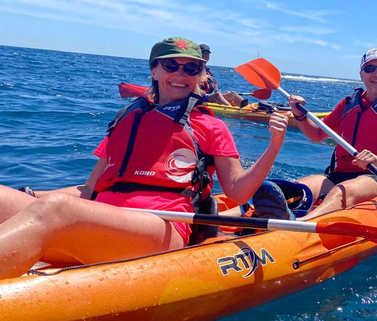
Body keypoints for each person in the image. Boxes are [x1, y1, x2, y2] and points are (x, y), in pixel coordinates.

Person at [0, 37, 289, 279]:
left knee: (57, 210)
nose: (180, 74)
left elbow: (238, 191)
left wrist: (273, 146)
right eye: (170, 65)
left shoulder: (211, 126)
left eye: (191, 68)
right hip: (103, 221)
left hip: (161, 227)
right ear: (154, 70)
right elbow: (89, 189)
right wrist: (33, 195)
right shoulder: (127, 117)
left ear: (200, 75)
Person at [287, 48, 377, 219]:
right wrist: (300, 115)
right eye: (370, 69)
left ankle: (300, 225)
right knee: (293, 188)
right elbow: (317, 134)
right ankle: (249, 216)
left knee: (341, 192)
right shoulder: (349, 104)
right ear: (362, 75)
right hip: (339, 174)